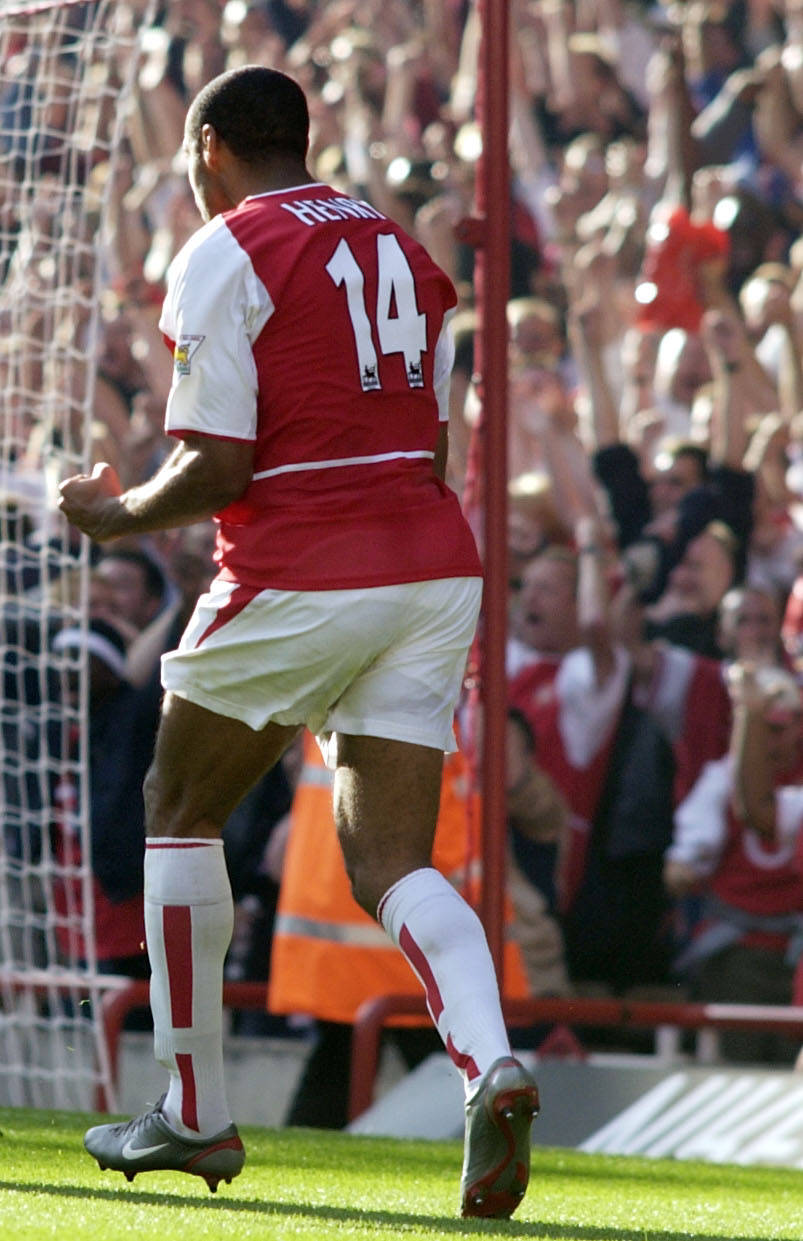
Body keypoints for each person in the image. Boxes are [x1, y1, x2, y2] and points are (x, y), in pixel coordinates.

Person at [56, 67, 536, 1219]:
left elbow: (221, 466)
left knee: (177, 804)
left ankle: (190, 1109)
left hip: (304, 566)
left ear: (209, 145)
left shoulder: (227, 248)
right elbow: (431, 439)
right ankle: (492, 1057)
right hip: (430, 560)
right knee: (392, 861)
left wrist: (115, 514)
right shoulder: (390, 240)